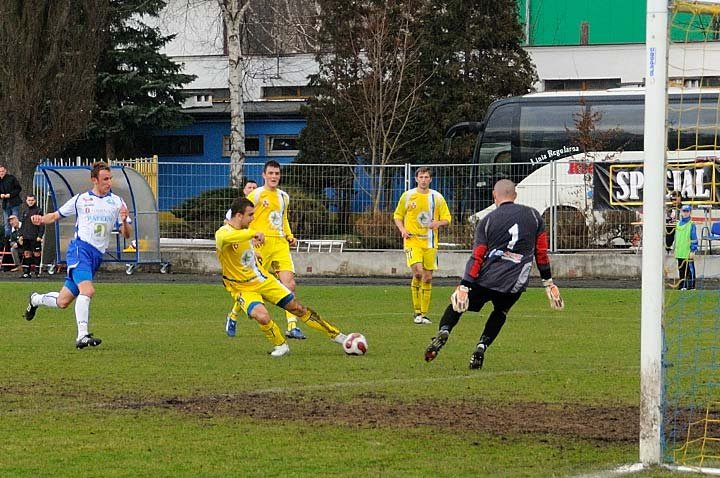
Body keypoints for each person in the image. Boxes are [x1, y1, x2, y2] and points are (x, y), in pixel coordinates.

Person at [424, 179, 564, 369]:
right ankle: (481, 346)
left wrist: (465, 285)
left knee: (457, 306)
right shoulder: (534, 216)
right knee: (500, 311)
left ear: (494, 195)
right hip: (515, 282)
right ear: (515, 195)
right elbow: (541, 253)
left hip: (486, 278)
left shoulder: (487, 220)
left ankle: (445, 330)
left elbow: (477, 256)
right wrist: (548, 283)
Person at [216, 196, 348, 356]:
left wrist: (254, 252)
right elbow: (227, 238)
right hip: (241, 288)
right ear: (239, 215)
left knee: (297, 308)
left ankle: (337, 335)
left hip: (262, 280)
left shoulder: (245, 232)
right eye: (250, 215)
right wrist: (252, 234)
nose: (253, 218)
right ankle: (280, 345)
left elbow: (242, 252)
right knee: (262, 316)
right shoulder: (223, 233)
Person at [23, 162, 132, 349]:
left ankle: (35, 299)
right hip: (80, 250)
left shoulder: (117, 202)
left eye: (110, 178)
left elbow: (126, 234)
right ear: (94, 180)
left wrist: (123, 220)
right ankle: (82, 336)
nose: (109, 182)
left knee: (63, 301)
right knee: (88, 291)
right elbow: (56, 215)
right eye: (105, 179)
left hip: (96, 256)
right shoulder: (81, 200)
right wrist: (41, 219)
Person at [227, 160, 306, 340]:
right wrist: (246, 237)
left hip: (279, 245)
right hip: (260, 246)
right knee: (253, 285)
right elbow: (241, 217)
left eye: (276, 174)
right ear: (264, 175)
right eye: (270, 173)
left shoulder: (284, 197)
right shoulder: (255, 195)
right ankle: (233, 315)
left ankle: (292, 326)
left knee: (290, 283)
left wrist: (289, 235)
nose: (274, 177)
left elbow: (282, 218)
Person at [393, 167, 452, 325]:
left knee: (427, 278)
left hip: (430, 242)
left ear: (430, 180)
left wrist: (437, 223)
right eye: (421, 176)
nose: (424, 179)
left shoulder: (437, 198)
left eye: (426, 177)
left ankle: (424, 314)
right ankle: (416, 312)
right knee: (418, 273)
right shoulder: (408, 196)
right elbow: (397, 216)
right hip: (412, 241)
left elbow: (447, 218)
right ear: (416, 178)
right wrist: (403, 230)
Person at [18, 194, 44, 278]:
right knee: (27, 254)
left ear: (35, 201)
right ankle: (27, 272)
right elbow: (23, 224)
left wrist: (40, 235)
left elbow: (42, 224)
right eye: (29, 200)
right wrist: (21, 235)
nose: (30, 202)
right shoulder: (25, 211)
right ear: (26, 201)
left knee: (36, 254)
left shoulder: (38, 210)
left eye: (32, 200)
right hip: (26, 236)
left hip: (35, 236)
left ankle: (37, 272)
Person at [674, 204, 697, 290]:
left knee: (690, 270)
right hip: (680, 251)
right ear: (681, 212)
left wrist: (693, 250)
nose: (686, 213)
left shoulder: (691, 224)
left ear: (690, 212)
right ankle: (682, 286)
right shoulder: (678, 224)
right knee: (681, 269)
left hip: (688, 251)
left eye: (687, 211)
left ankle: (691, 286)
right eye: (684, 211)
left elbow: (694, 238)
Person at [0, 165, 22, 238]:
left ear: (5, 171)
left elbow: (18, 188)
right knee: (7, 224)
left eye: (2, 171)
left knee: (15, 222)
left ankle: (16, 238)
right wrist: (1, 195)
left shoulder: (11, 178)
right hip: (5, 205)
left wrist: (10, 195)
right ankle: (7, 243)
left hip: (14, 203)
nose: (1, 173)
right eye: (0, 172)